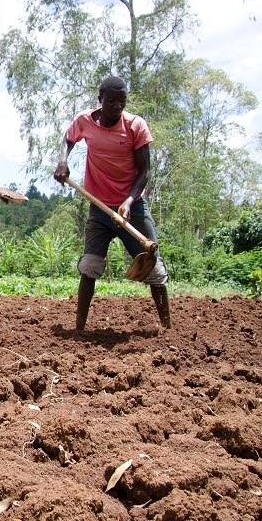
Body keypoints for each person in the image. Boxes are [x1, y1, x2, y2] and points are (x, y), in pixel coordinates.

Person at [53, 75, 171, 331]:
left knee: (155, 267)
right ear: (100, 101)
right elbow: (69, 137)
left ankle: (167, 330)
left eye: (122, 102)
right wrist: (63, 161)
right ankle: (79, 329)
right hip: (100, 207)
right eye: (112, 101)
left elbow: (145, 172)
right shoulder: (85, 120)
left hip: (133, 207)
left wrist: (128, 202)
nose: (118, 106)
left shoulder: (135, 126)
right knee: (89, 266)